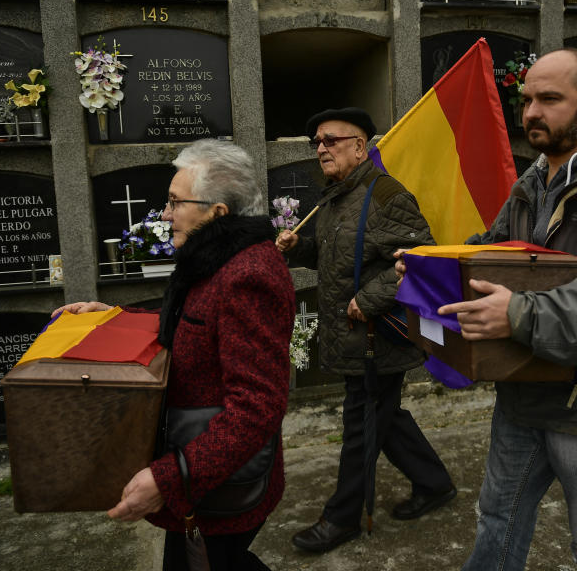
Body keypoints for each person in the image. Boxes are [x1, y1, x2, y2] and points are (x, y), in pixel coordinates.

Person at [399, 48, 577, 570]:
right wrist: (431, 271)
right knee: (496, 522)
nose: (531, 114)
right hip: (524, 396)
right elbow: (492, 249)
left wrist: (520, 316)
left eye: (549, 99)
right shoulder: (534, 178)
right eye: (525, 100)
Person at [53, 140, 295, 571]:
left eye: (175, 202)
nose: (165, 215)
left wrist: (168, 478)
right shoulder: (215, 258)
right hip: (202, 478)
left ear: (217, 212)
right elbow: (197, 324)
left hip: (218, 485)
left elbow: (257, 409)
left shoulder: (249, 275)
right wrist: (114, 318)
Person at [276, 107, 456, 553]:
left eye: (331, 140)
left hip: (379, 338)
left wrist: (371, 298)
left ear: (361, 146)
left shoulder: (386, 196)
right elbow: (335, 259)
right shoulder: (335, 197)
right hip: (353, 337)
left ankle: (341, 519)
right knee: (384, 416)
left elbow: (420, 257)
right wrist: (302, 248)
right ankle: (434, 484)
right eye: (316, 142)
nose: (321, 149)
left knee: (360, 424)